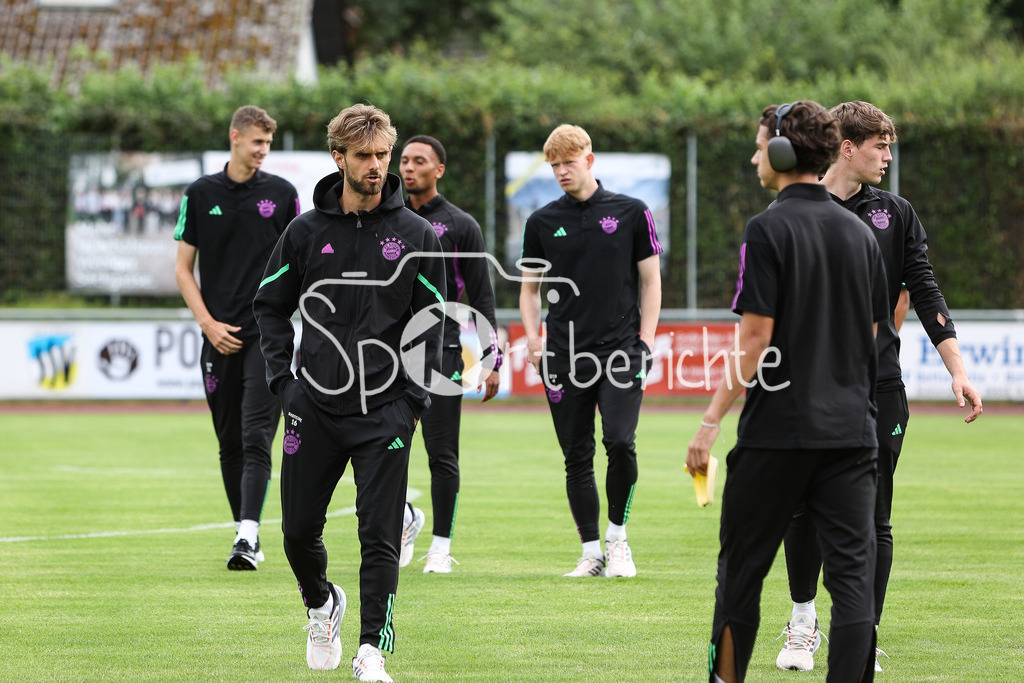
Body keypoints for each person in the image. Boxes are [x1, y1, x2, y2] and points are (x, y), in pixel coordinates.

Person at [773, 100, 984, 673]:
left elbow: (925, 289)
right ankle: (801, 624)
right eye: (880, 146)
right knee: (804, 509)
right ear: (847, 147)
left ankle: (861, 633)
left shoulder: (896, 213)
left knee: (874, 517)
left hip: (879, 387)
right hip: (810, 387)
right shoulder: (794, 208)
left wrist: (957, 370)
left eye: (890, 146)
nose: (888, 157)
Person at [687, 100, 889, 683]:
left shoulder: (768, 227)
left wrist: (709, 422)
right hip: (853, 436)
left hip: (777, 436)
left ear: (779, 152)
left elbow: (753, 342)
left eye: (759, 145)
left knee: (740, 579)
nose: (754, 156)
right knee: (853, 585)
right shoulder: (859, 234)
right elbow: (874, 335)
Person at [253, 103, 445, 681]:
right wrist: (284, 385)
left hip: (385, 413)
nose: (377, 167)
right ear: (338, 158)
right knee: (294, 534)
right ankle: (321, 603)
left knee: (378, 536)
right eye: (364, 156)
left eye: (384, 155)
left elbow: (434, 319)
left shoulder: (414, 232)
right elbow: (269, 305)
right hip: (313, 407)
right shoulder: (305, 232)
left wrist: (413, 402)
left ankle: (370, 651)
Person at [519, 124, 662, 578]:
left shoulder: (632, 212)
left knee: (620, 442)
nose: (562, 171)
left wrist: (646, 341)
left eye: (569, 162)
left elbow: (652, 281)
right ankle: (591, 551)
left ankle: (618, 539)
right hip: (563, 355)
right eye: (554, 165)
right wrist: (534, 337)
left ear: (589, 160)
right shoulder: (541, 221)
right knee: (575, 455)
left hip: (622, 350)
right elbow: (528, 291)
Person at [173, 105, 299, 570]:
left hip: (267, 336)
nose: (263, 150)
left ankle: (246, 536)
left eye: (268, 143)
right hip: (217, 335)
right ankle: (246, 532)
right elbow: (183, 269)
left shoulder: (283, 194)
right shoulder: (200, 193)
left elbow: (297, 262)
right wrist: (207, 323)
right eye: (257, 142)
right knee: (228, 440)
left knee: (255, 436)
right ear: (235, 137)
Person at [397, 135, 502, 574]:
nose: (408, 167)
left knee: (442, 452)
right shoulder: (390, 219)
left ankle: (440, 546)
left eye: (419, 161)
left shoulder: (461, 225)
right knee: (384, 446)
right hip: (387, 353)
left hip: (441, 353)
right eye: (403, 160)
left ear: (438, 170)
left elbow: (481, 295)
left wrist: (492, 358)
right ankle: (404, 520)